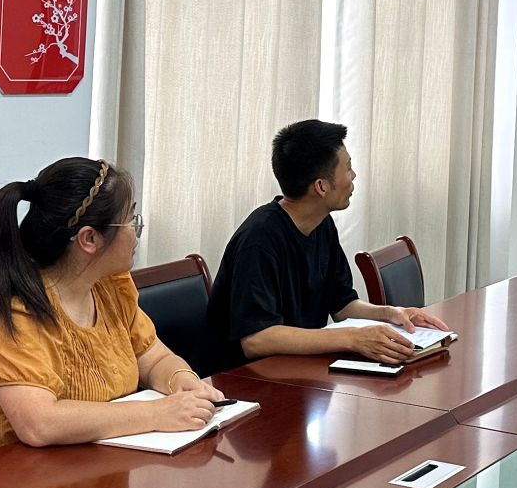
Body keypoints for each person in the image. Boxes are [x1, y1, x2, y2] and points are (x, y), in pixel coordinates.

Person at [0, 156, 223, 461]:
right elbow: (39, 424)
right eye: (129, 220)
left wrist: (181, 381)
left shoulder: (110, 286)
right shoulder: (13, 313)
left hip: (81, 465)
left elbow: (153, 358)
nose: (136, 231)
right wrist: (156, 413)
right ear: (89, 238)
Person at [194, 119, 452, 374]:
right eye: (348, 168)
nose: (354, 176)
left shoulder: (321, 224)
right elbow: (256, 340)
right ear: (321, 186)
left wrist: (392, 314)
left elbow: (342, 305)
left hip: (295, 373)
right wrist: (352, 338)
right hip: (243, 380)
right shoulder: (259, 239)